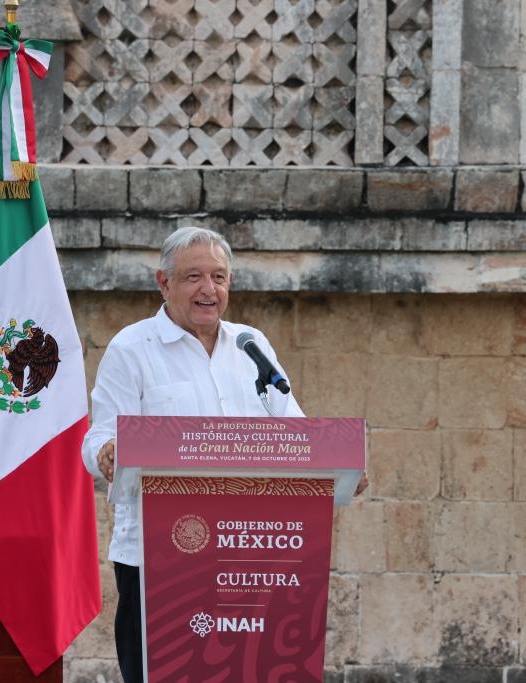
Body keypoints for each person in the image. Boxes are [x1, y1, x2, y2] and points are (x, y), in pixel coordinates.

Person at [81, 226, 365, 683]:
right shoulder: (131, 349)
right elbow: (97, 439)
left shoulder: (251, 346)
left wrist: (340, 467)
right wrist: (109, 452)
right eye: (193, 276)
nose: (208, 290)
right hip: (159, 561)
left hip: (248, 556)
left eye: (219, 277)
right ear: (163, 283)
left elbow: (295, 431)